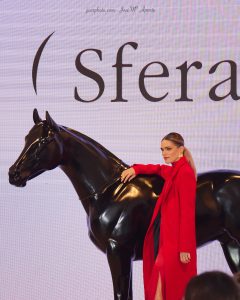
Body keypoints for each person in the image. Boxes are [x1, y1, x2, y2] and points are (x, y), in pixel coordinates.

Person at [121, 132, 197, 300]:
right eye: (162, 149)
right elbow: (157, 168)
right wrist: (136, 168)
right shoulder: (174, 171)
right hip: (165, 237)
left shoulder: (185, 173)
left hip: (176, 242)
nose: (164, 153)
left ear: (181, 149)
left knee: (164, 284)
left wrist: (185, 246)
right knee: (159, 283)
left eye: (168, 149)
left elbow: (187, 212)